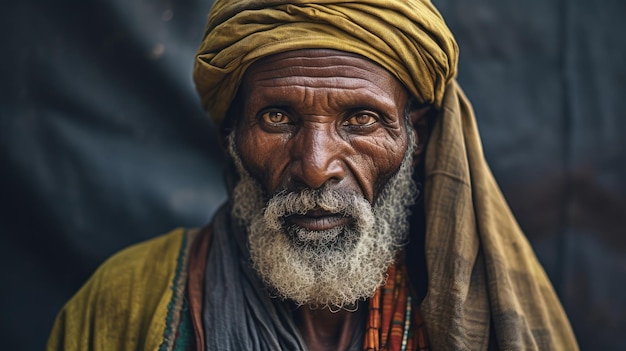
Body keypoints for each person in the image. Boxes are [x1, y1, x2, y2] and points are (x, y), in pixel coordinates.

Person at [47, 0, 578, 350]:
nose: (316, 165)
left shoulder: (473, 313)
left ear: (415, 141)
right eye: (277, 118)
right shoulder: (124, 304)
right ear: (230, 139)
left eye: (361, 119)